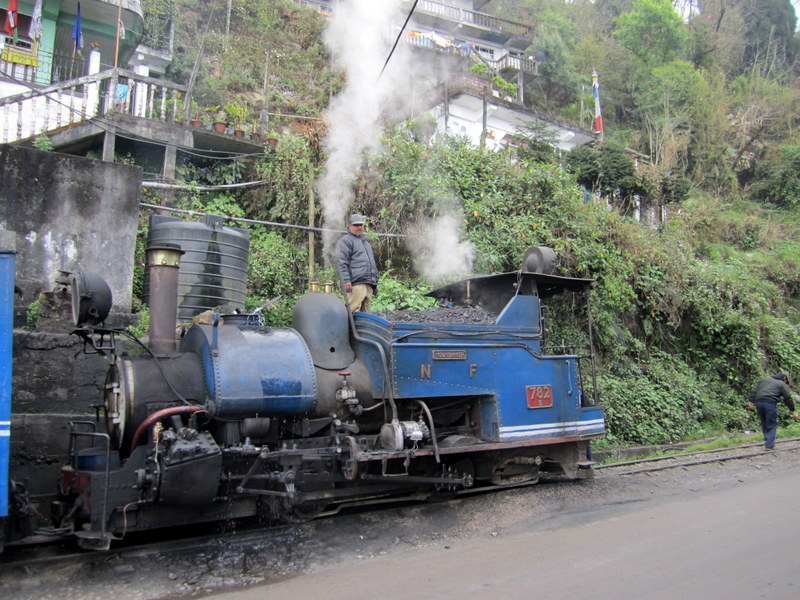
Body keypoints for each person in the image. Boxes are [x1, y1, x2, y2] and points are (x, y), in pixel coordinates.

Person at [335, 213, 379, 313]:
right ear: (349, 226)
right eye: (356, 225)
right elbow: (342, 263)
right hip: (355, 284)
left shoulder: (366, 243)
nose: (359, 227)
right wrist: (346, 280)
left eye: (361, 225)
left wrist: (374, 282)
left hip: (368, 283)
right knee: (352, 312)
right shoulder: (345, 241)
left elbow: (371, 264)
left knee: (365, 314)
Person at [747, 373, 800, 450]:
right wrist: (792, 410)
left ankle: (767, 441)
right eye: (786, 381)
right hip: (769, 403)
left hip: (758, 403)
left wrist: (751, 400)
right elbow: (787, 398)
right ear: (784, 378)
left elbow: (754, 390)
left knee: (764, 422)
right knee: (771, 423)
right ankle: (769, 445)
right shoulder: (781, 384)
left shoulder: (764, 379)